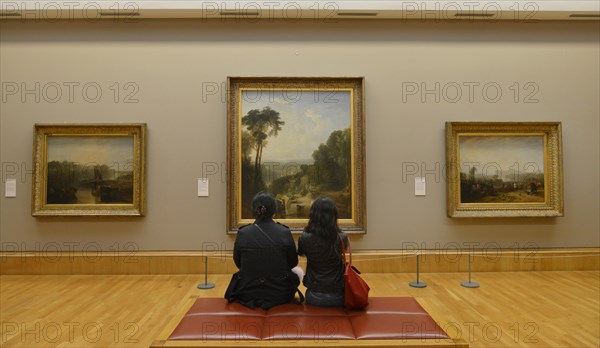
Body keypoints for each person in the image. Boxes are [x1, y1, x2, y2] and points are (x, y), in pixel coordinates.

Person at [224, 192, 302, 309]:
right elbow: (292, 263)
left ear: (254, 210)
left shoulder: (243, 233)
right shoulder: (284, 232)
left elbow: (238, 263)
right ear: (274, 210)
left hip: (248, 293)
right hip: (280, 293)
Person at [298, 197, 349, 307]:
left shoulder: (305, 237)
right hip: (339, 296)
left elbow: (301, 253)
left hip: (314, 295)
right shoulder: (342, 237)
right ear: (334, 215)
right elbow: (343, 249)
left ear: (313, 215)